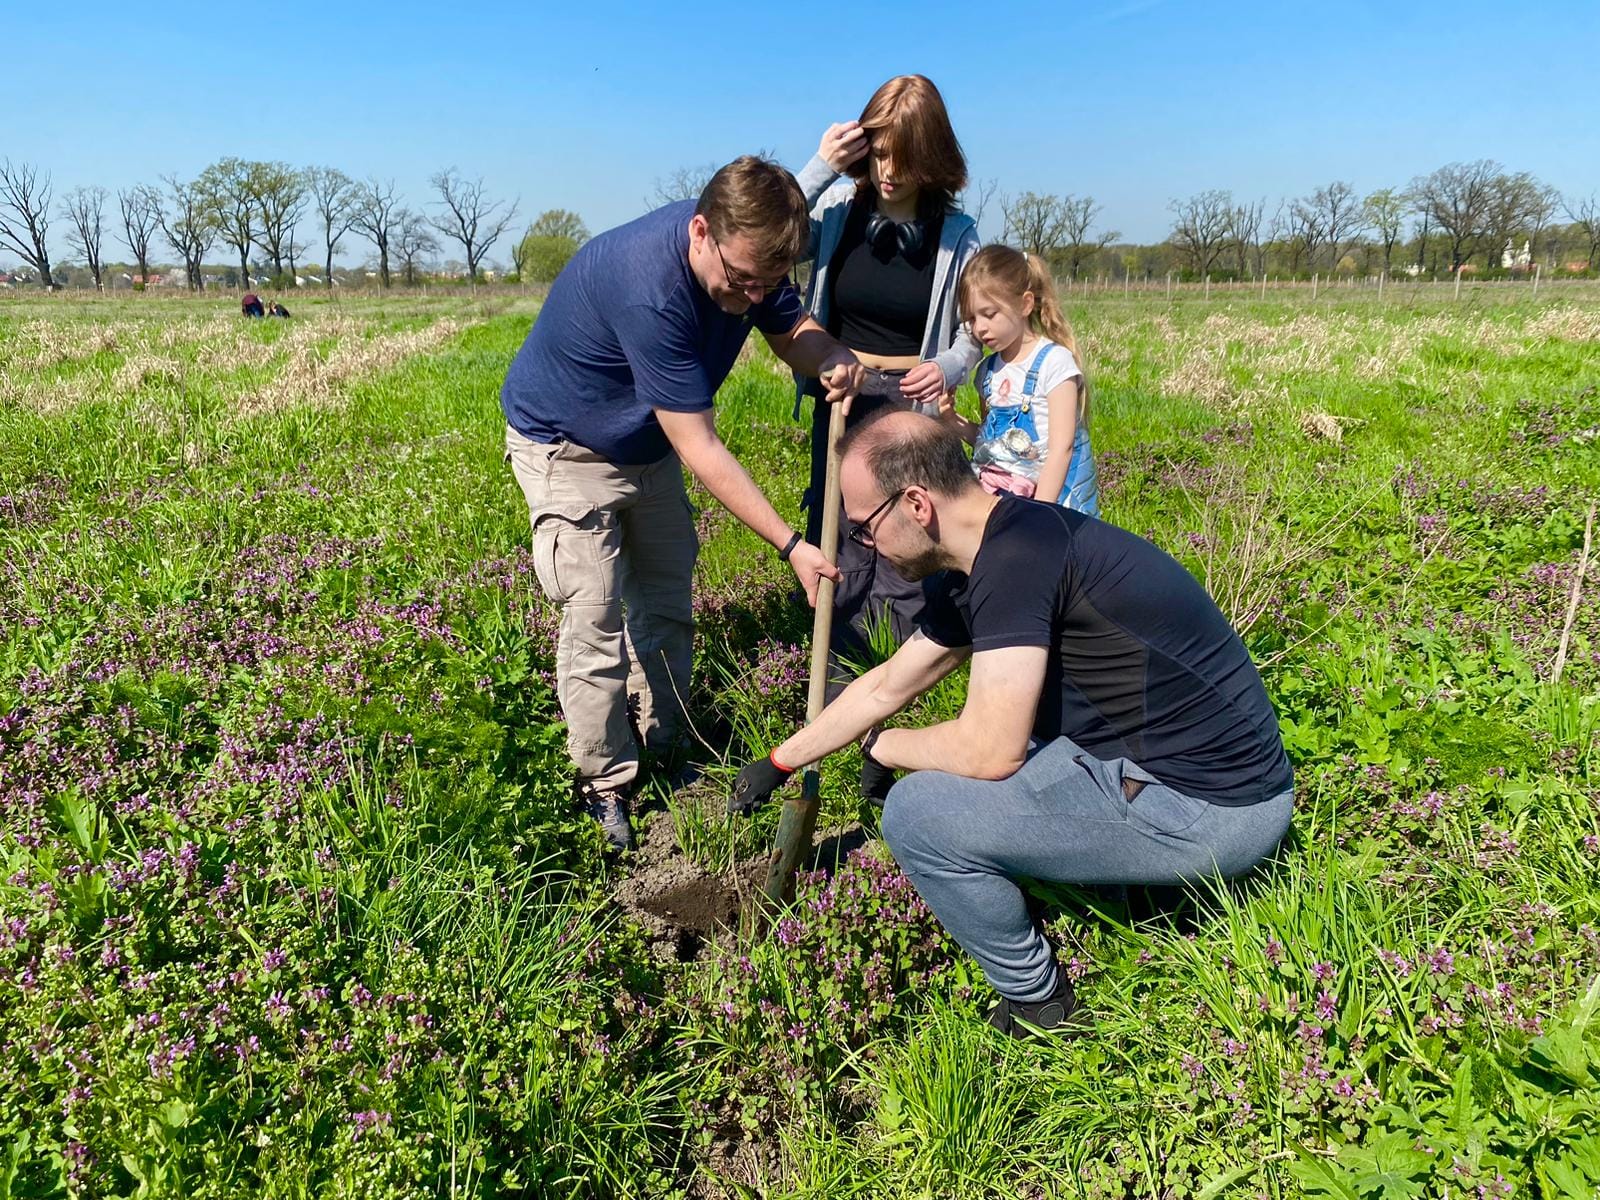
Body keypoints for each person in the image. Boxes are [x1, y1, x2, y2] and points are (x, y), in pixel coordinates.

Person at [728, 413, 1293, 1038]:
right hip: (1191, 771)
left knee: (916, 814)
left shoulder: (1014, 566)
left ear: (916, 504)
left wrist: (888, 749)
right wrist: (781, 761)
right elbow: (891, 682)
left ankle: (1037, 999)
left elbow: (989, 751)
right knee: (1000, 746)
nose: (867, 548)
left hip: (1214, 810)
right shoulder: (1003, 541)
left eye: (864, 529)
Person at [501, 156, 865, 852]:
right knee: (594, 615)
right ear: (701, 231)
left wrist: (829, 359)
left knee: (666, 598)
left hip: (645, 443)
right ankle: (604, 781)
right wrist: (791, 546)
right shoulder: (650, 289)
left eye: (766, 284)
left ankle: (668, 743)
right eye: (739, 282)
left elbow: (794, 330)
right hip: (566, 447)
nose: (750, 297)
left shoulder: (750, 260)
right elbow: (701, 447)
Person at [791, 76, 982, 699]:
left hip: (913, 405)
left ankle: (888, 685)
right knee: (841, 532)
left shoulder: (958, 236)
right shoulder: (837, 217)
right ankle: (835, 681)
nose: (889, 172)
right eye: (877, 155)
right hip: (842, 395)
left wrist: (949, 369)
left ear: (931, 157)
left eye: (903, 159)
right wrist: (821, 165)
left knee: (905, 541)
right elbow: (774, 227)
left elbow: (975, 330)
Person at [941, 246, 1098, 514]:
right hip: (1006, 499)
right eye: (971, 318)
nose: (979, 327)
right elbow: (992, 444)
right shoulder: (988, 371)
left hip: (1054, 503)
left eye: (989, 314)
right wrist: (951, 419)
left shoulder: (1054, 362)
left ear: (1025, 304)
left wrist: (1037, 517)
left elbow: (1062, 448)